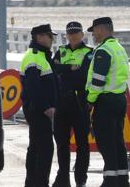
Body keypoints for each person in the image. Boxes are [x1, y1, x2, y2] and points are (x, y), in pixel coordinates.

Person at [86, 17, 130, 187]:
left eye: (94, 31)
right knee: (118, 142)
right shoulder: (119, 48)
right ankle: (122, 180)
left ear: (102, 30)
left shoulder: (103, 51)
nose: (93, 34)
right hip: (119, 99)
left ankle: (110, 181)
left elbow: (98, 81)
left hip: (105, 101)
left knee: (106, 143)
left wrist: (90, 101)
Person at [52, 21, 93, 187]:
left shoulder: (89, 52)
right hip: (62, 103)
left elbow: (83, 75)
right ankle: (63, 179)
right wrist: (70, 68)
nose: (73, 36)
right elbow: (53, 71)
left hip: (80, 103)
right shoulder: (60, 51)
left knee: (82, 144)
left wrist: (63, 70)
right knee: (62, 144)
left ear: (82, 35)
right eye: (70, 33)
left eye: (76, 33)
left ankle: (80, 179)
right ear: (66, 35)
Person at [21, 23, 58, 187]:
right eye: (50, 36)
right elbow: (34, 87)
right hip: (38, 111)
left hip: (38, 110)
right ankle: (40, 183)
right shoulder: (34, 56)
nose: (52, 39)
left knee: (36, 148)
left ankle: (33, 183)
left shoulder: (41, 55)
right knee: (44, 149)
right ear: (40, 37)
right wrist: (46, 108)